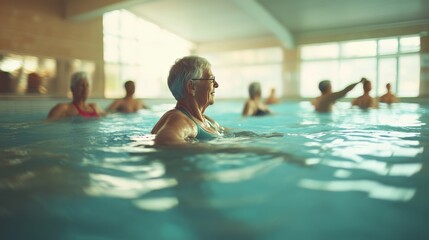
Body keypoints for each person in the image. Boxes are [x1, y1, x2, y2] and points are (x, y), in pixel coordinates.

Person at [151, 56, 224, 145]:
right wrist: (220, 151)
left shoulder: (206, 121)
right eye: (211, 79)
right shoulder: (180, 120)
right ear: (192, 87)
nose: (216, 84)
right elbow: (164, 141)